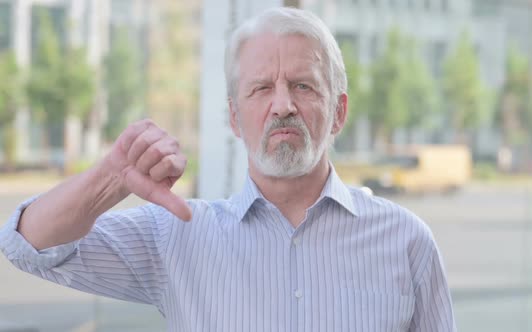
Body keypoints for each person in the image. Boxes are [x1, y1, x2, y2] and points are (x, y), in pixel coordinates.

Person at [0, 7, 456, 332]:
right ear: (235, 118)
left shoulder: (406, 241)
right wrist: (111, 177)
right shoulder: (177, 235)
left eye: (302, 86)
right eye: (261, 88)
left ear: (338, 112)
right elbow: (28, 244)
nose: (283, 105)